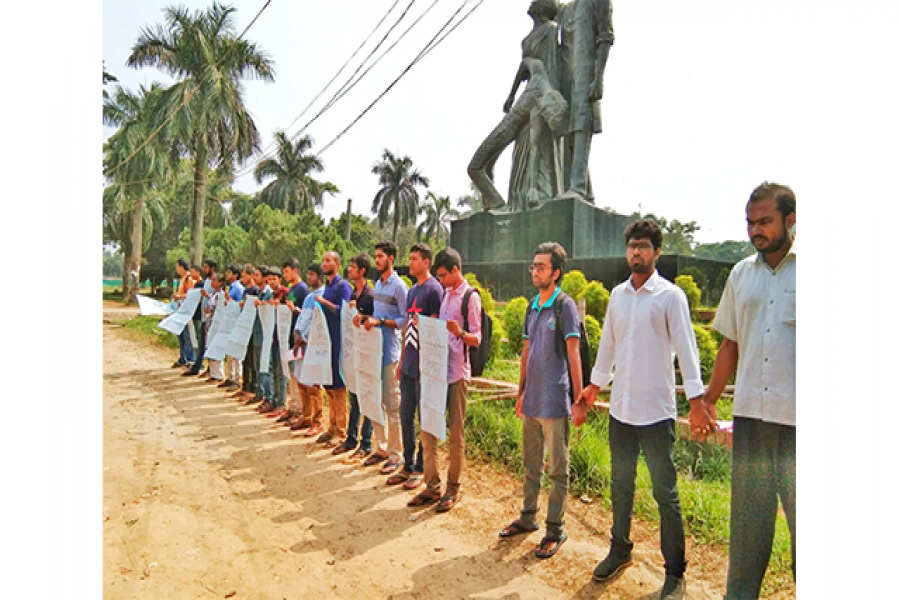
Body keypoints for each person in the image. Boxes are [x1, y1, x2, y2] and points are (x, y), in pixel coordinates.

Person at [580, 219, 702, 599]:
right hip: (621, 410)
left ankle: (675, 572)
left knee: (665, 493)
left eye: (644, 246)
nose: (637, 252)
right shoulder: (618, 295)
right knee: (620, 484)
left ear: (657, 252)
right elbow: (608, 348)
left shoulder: (669, 296)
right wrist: (592, 387)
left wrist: (696, 402)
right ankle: (620, 550)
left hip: (656, 412)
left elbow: (687, 350)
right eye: (632, 245)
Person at [691, 183, 797, 599]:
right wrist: (708, 401)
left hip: (800, 424)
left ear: (790, 220)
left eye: (765, 221)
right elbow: (729, 344)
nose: (757, 230)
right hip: (752, 417)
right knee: (748, 528)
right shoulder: (740, 274)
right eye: (751, 222)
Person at [499, 241, 583, 561]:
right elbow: (526, 352)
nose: (535, 271)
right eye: (533, 266)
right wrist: (520, 393)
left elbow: (573, 352)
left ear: (556, 272)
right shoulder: (532, 306)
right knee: (531, 464)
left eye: (541, 267)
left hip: (556, 401)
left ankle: (555, 528)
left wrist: (578, 400)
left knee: (558, 469)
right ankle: (527, 517)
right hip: (532, 400)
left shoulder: (565, 306)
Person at [468, 0, 567, 211]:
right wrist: (511, 96)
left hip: (536, 99)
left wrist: (546, 103)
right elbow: (525, 68)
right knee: (479, 165)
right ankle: (495, 204)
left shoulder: (550, 30)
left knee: (476, 165)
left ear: (542, 7)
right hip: (525, 99)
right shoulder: (526, 42)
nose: (531, 3)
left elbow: (552, 68)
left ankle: (496, 204)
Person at [407, 247, 482, 512]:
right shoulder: (445, 294)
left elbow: (477, 338)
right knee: (428, 428)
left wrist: (459, 331)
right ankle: (431, 485)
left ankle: (453, 487)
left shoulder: (470, 297)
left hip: (456, 374)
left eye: (443, 275)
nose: (441, 280)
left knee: (455, 433)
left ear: (455, 270)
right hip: (435, 370)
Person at [389, 243, 442, 489]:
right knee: (405, 413)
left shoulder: (434, 290)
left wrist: (427, 367)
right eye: (409, 258)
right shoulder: (412, 292)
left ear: (426, 262)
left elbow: (434, 332)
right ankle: (407, 464)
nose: (409, 263)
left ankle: (421, 467)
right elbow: (407, 325)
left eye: (414, 259)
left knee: (423, 417)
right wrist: (402, 360)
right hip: (409, 362)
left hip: (424, 366)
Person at [355, 241, 407, 475]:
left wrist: (381, 322)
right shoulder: (378, 284)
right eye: (375, 256)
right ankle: (381, 447)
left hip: (390, 352)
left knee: (392, 405)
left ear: (391, 259)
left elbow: (406, 320)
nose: (376, 260)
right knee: (375, 399)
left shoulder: (399, 287)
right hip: (374, 350)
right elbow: (376, 316)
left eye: (380, 256)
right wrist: (364, 318)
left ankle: (396, 455)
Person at [556, 0, 614, 202]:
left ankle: (577, 187)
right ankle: (583, 192)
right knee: (567, 131)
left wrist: (599, 78)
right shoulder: (566, 9)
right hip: (565, 75)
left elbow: (605, 37)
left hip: (586, 71)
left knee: (582, 124)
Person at [334, 253, 376, 460]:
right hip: (353, 352)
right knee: (354, 395)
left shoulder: (370, 296)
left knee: (366, 396)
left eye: (352, 267)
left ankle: (366, 442)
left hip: (367, 354)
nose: (349, 270)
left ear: (362, 271)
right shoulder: (352, 294)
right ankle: (351, 438)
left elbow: (374, 321)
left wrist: (363, 316)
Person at [311, 251, 353, 446]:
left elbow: (343, 311)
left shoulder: (342, 286)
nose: (324, 263)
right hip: (325, 341)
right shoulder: (327, 286)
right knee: (328, 385)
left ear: (336, 263)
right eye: (323, 260)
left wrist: (324, 303)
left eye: (328, 260)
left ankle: (341, 431)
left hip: (338, 340)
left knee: (339, 386)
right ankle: (332, 426)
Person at [293, 263, 326, 434]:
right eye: (308, 274)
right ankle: (306, 416)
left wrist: (305, 337)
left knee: (314, 384)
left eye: (312, 275)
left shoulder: (324, 295)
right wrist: (296, 333)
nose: (309, 278)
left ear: (320, 276)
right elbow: (303, 317)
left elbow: (316, 322)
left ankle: (317, 420)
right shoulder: (308, 297)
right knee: (302, 380)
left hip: (313, 344)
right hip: (301, 343)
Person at [279, 258, 310, 426]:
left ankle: (300, 410)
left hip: (300, 338)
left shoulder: (303, 289)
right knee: (292, 373)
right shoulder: (292, 289)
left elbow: (305, 314)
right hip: (290, 335)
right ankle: (292, 406)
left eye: (287, 272)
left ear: (295, 271)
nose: (285, 275)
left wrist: (294, 309)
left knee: (299, 374)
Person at [257, 267, 289, 416]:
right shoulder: (272, 293)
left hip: (283, 338)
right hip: (273, 337)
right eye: (269, 279)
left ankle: (281, 402)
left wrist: (281, 304)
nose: (271, 282)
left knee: (281, 372)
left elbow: (292, 305)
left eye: (274, 279)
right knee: (275, 369)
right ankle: (275, 400)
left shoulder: (287, 292)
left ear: (280, 279)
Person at [235, 264, 260, 402]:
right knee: (245, 356)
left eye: (244, 275)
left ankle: (253, 386)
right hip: (244, 326)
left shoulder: (255, 290)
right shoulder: (245, 291)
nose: (242, 278)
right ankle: (246, 384)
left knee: (252, 357)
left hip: (253, 327)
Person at [220, 264, 245, 392]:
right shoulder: (231, 287)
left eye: (229, 272)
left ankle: (237, 379)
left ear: (235, 275)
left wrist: (229, 300)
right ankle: (230, 377)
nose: (227, 275)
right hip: (229, 322)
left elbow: (240, 305)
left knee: (236, 353)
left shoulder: (238, 288)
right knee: (229, 351)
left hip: (236, 323)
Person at [171, 258, 196, 368]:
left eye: (177, 266)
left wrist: (179, 296)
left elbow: (191, 294)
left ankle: (190, 358)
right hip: (180, 310)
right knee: (180, 334)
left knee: (187, 335)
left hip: (186, 311)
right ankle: (183, 357)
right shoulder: (183, 279)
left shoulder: (189, 279)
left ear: (181, 267)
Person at [203, 273, 226, 383]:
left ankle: (219, 375)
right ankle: (213, 373)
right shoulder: (213, 294)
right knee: (209, 347)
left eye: (215, 280)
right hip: (210, 323)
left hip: (217, 324)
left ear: (220, 283)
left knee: (216, 348)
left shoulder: (221, 295)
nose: (212, 282)